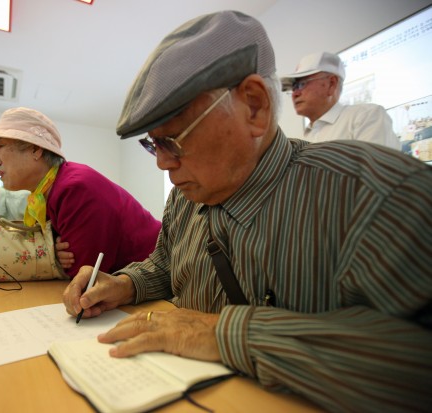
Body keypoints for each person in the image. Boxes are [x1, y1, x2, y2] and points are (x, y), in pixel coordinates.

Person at [62, 11, 432, 413]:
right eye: (153, 146)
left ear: (254, 106)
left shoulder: (373, 194)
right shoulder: (185, 199)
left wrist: (227, 333)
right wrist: (124, 284)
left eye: (173, 139)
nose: (162, 165)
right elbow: (167, 265)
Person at [0, 107, 162, 278]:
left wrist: (51, 259)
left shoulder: (74, 188)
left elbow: (83, 276)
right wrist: (52, 251)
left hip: (158, 277)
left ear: (35, 150)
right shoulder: (47, 193)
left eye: (1, 148)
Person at [281, 52, 400, 149]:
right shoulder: (303, 138)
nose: (295, 94)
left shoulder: (366, 117)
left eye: (301, 84)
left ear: (331, 84)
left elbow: (379, 173)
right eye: (294, 88)